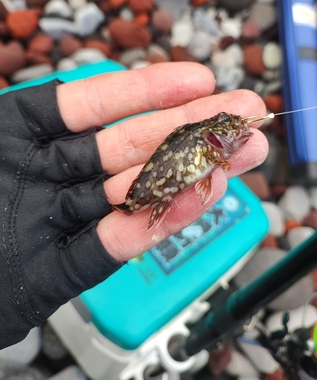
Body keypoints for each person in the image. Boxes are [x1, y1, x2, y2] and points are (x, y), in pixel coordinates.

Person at [0, 62, 268, 349]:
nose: (236, 129)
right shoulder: (205, 144)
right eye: (227, 126)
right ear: (213, 138)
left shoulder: (207, 145)